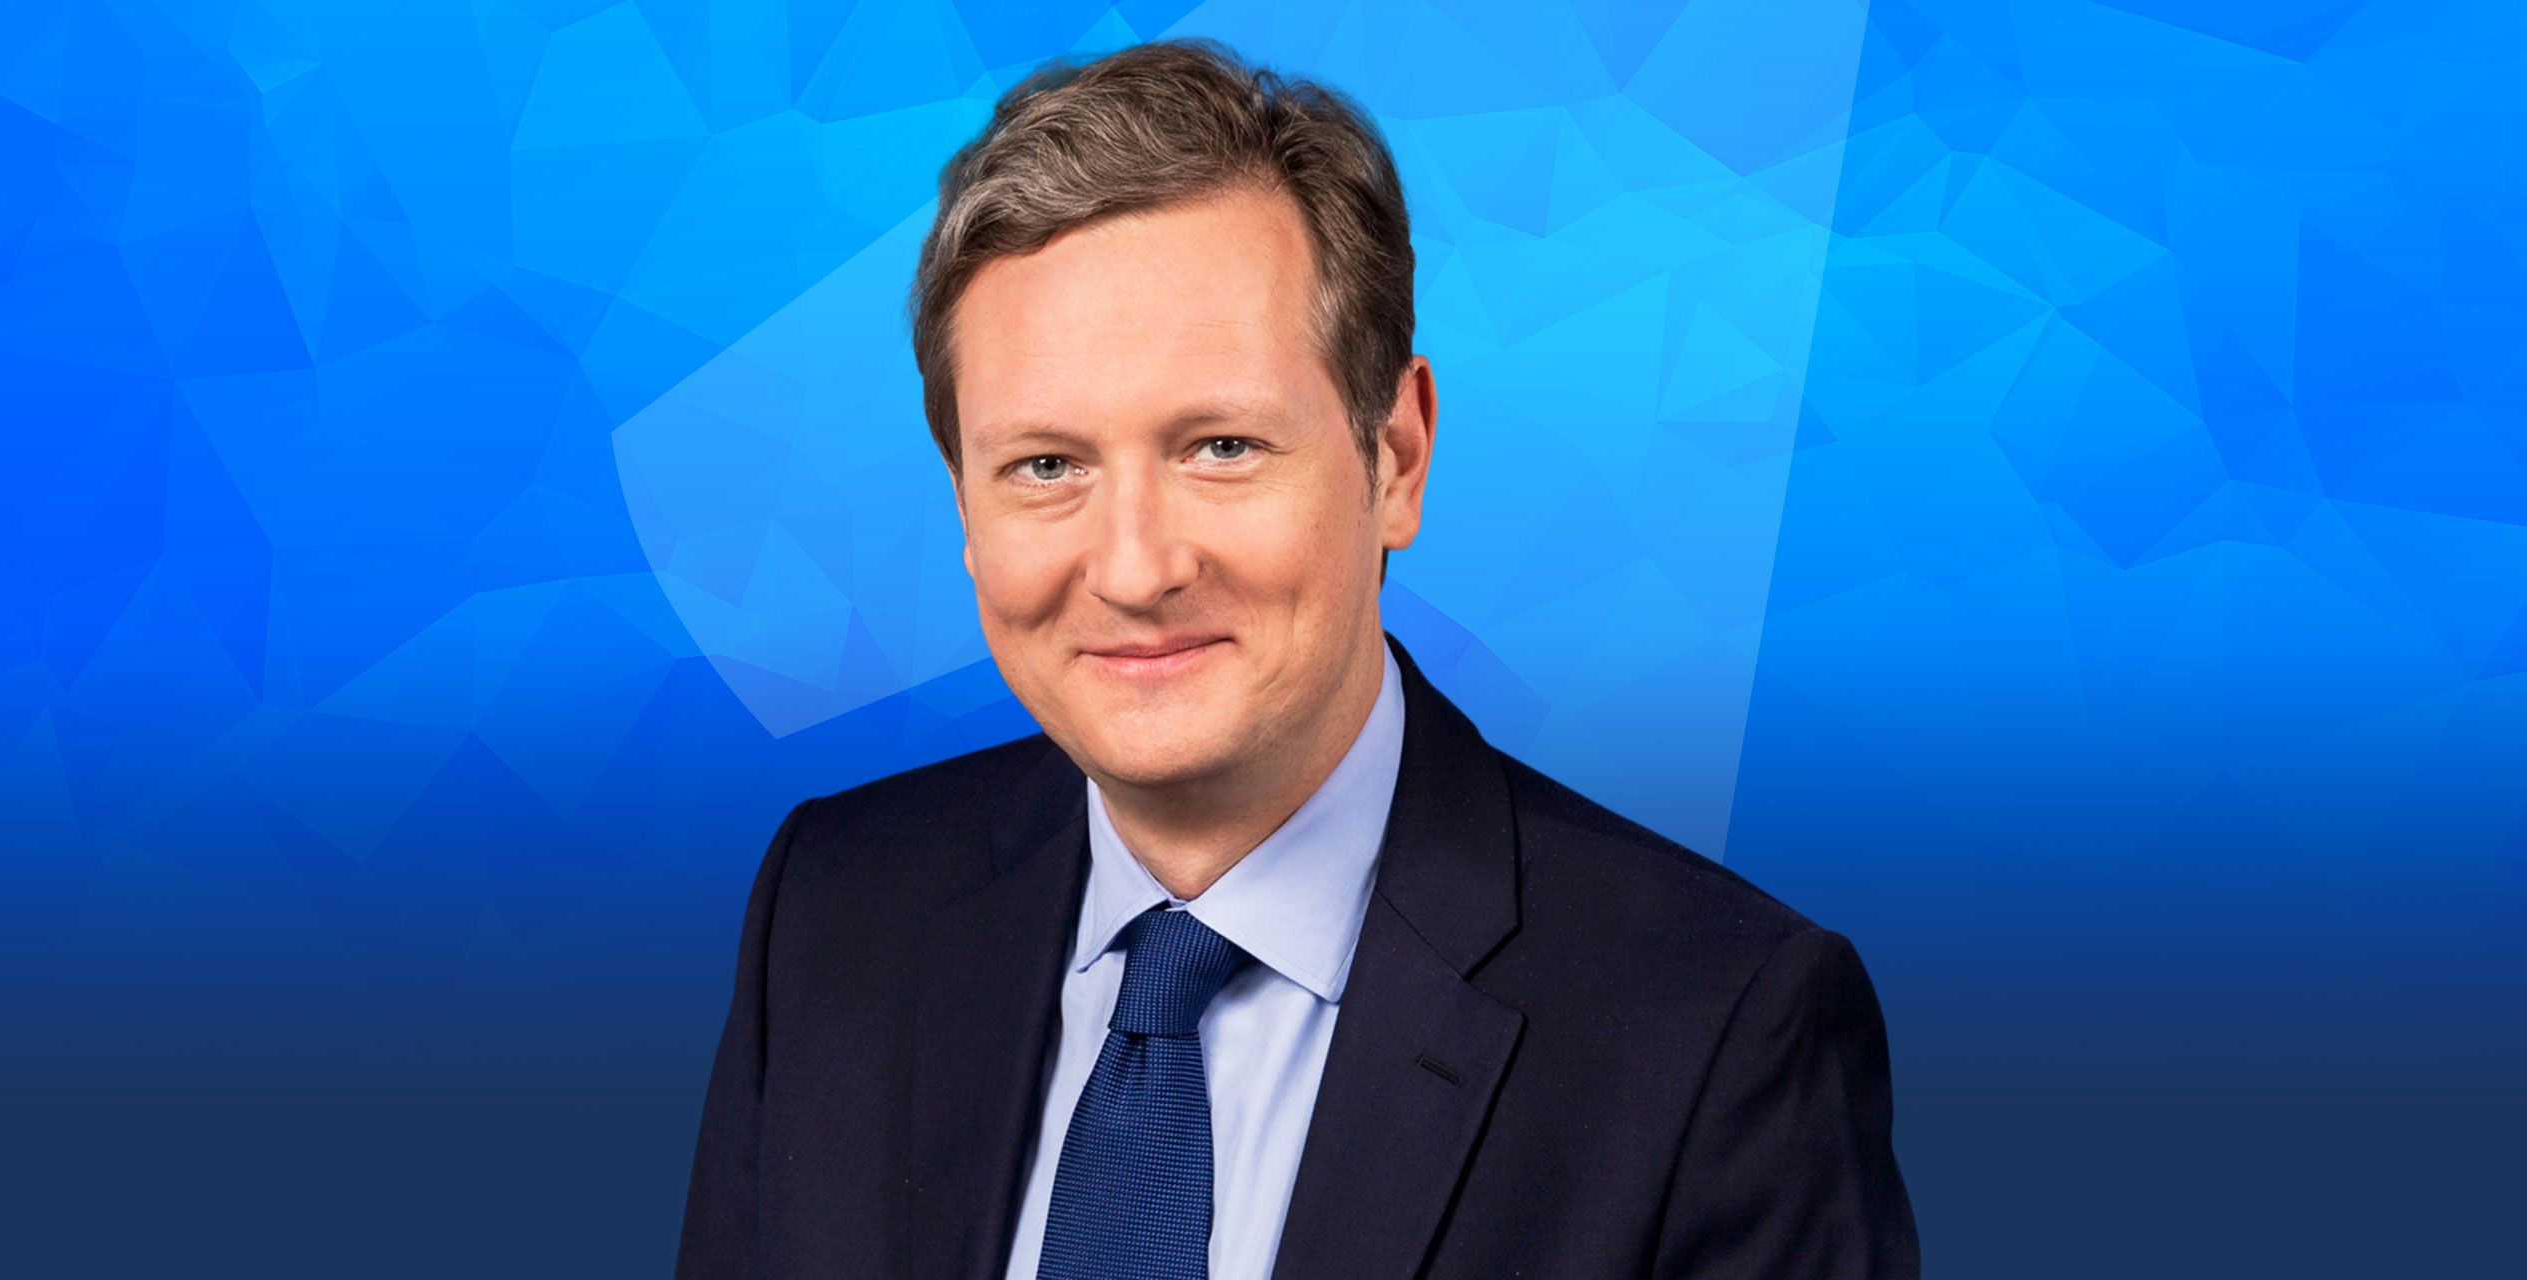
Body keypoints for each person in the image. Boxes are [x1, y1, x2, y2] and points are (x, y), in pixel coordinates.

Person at [675, 38, 1918, 1280]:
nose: (1134, 569)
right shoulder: (833, 914)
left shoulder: (1718, 1029)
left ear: (1396, 456)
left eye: (1220, 446)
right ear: (963, 501)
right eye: (1045, 465)